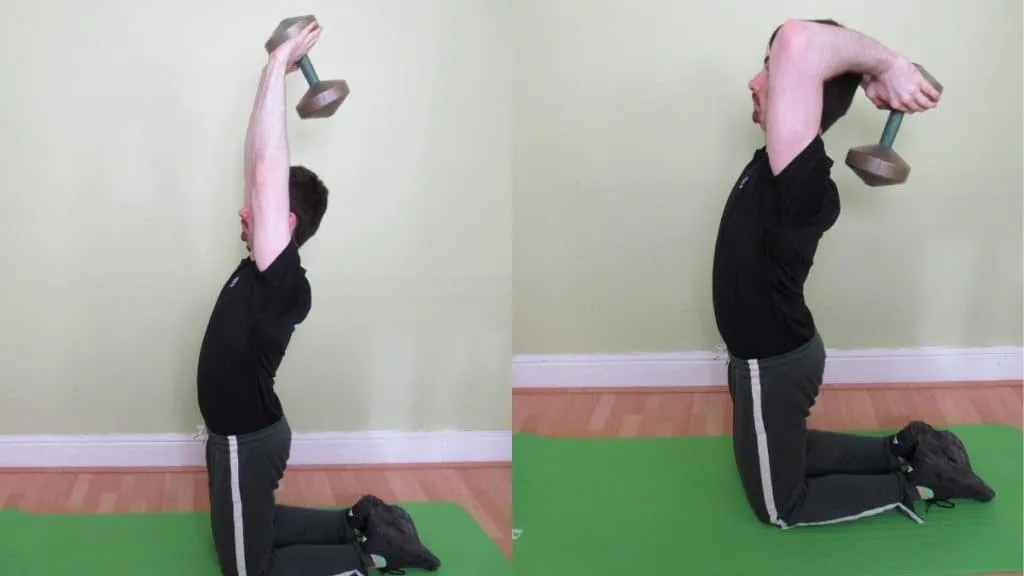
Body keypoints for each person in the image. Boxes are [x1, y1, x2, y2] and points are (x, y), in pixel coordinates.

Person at [711, 18, 995, 529]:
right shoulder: (778, 166)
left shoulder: (801, 185)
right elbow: (803, 51)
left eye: (770, 72)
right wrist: (862, 72)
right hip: (770, 356)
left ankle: (920, 483)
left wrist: (886, 66)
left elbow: (799, 38)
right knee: (783, 452)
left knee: (779, 507)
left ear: (804, 96)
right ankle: (903, 448)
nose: (755, 82)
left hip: (772, 363)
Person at [195, 20, 441, 575]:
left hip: (245, 439)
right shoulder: (263, 272)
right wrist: (271, 73)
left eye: (255, 212)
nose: (242, 210)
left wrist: (280, 65)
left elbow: (264, 176)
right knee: (246, 525)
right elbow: (256, 166)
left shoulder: (283, 283)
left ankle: (372, 556)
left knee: (245, 570)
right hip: (245, 435)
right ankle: (358, 522)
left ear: (281, 223)